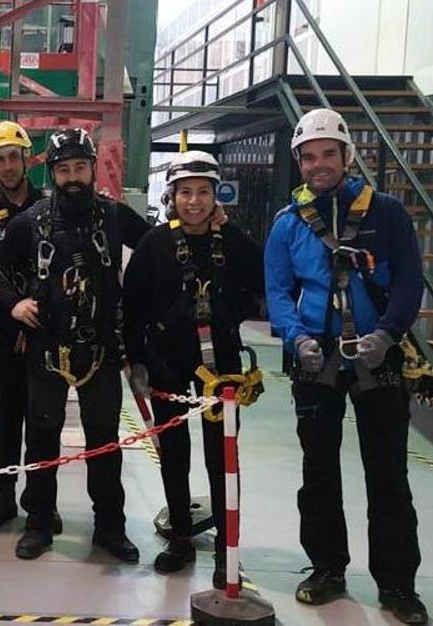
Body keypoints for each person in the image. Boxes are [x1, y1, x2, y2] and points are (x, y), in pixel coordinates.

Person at [265, 108, 428, 624]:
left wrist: (388, 333)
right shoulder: (289, 225)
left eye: (328, 155)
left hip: (378, 360)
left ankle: (398, 585)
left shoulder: (387, 214)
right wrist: (296, 338)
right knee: (318, 471)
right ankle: (327, 568)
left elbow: (408, 281)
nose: (319, 165)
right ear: (298, 162)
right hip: (317, 360)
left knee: (388, 473)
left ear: (347, 156)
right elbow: (277, 290)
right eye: (308, 157)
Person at [0, 128, 150, 561]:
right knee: (41, 438)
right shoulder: (31, 221)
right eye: (63, 170)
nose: (72, 178)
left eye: (79, 168)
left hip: (100, 350)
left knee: (103, 443)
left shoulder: (114, 216)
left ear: (93, 169)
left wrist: (205, 225)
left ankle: (110, 527)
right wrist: (15, 304)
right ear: (52, 173)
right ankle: (38, 523)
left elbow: (157, 248)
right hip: (47, 350)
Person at [121, 150, 264, 587]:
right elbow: (132, 305)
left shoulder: (235, 243)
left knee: (221, 457)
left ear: (215, 195)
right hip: (167, 361)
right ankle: (181, 536)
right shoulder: (155, 244)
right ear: (172, 196)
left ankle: (226, 548)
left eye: (203, 192)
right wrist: (135, 360)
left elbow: (261, 286)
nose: (194, 202)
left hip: (222, 365)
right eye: (185, 193)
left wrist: (231, 234)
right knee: (174, 455)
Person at [0, 121, 61, 531]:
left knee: (44, 418)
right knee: (7, 415)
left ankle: (41, 500)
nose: (6, 166)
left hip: (45, 329)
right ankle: (3, 494)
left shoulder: (51, 208)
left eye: (12, 158)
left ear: (26, 159)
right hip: (1, 328)